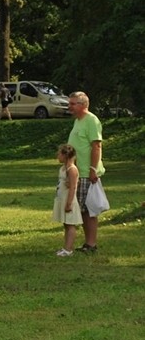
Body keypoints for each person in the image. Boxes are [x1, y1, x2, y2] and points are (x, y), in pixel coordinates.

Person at [67, 91, 105, 253]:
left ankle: (91, 243)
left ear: (83, 105)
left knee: (88, 210)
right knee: (82, 209)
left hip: (86, 172)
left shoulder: (91, 120)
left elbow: (96, 146)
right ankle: (88, 242)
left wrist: (92, 169)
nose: (69, 107)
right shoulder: (78, 121)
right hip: (77, 172)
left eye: (72, 104)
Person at [52, 144, 82, 257]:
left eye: (59, 153)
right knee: (66, 224)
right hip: (62, 199)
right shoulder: (63, 168)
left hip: (68, 201)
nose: (57, 155)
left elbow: (73, 187)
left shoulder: (72, 169)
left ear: (65, 155)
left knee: (70, 225)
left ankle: (68, 249)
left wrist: (69, 204)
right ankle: (65, 247)